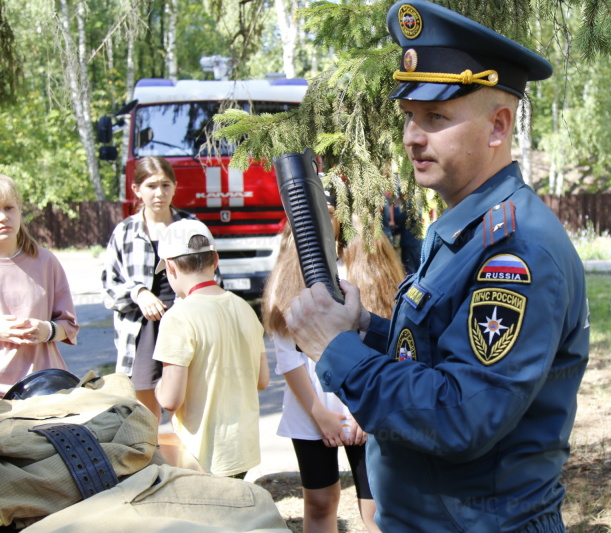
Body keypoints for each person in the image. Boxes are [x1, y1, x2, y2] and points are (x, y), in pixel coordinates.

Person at [283, 2, 591, 532]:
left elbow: (462, 415)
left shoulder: (516, 251)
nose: (411, 137)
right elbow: (438, 357)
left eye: (436, 117)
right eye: (409, 116)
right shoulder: (465, 230)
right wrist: (365, 329)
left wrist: (337, 351)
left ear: (498, 126)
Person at [262, 196, 404, 533]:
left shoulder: (369, 268)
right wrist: (319, 414)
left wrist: (364, 410)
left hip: (366, 408)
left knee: (377, 508)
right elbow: (288, 357)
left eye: (326, 213)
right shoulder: (287, 273)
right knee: (321, 501)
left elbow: (385, 343)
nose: (317, 221)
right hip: (310, 410)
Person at [101, 156, 216, 421]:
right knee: (145, 409)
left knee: (189, 400)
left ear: (175, 187)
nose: (159, 193)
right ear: (137, 190)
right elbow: (109, 287)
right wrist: (138, 293)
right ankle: (151, 453)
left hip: (186, 321)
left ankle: (188, 458)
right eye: (151, 186)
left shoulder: (190, 226)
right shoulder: (125, 231)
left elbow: (212, 275)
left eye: (165, 185)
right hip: (142, 327)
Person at [152, 219, 270, 478]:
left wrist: (158, 387)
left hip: (200, 454)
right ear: (215, 260)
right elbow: (262, 380)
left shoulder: (177, 317)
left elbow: (171, 399)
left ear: (170, 266)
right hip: (241, 450)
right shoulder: (244, 308)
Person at [0, 174, 79, 398]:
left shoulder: (45, 261)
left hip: (45, 388)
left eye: (8, 207)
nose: (3, 217)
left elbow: (69, 326)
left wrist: (47, 331)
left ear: (20, 210)